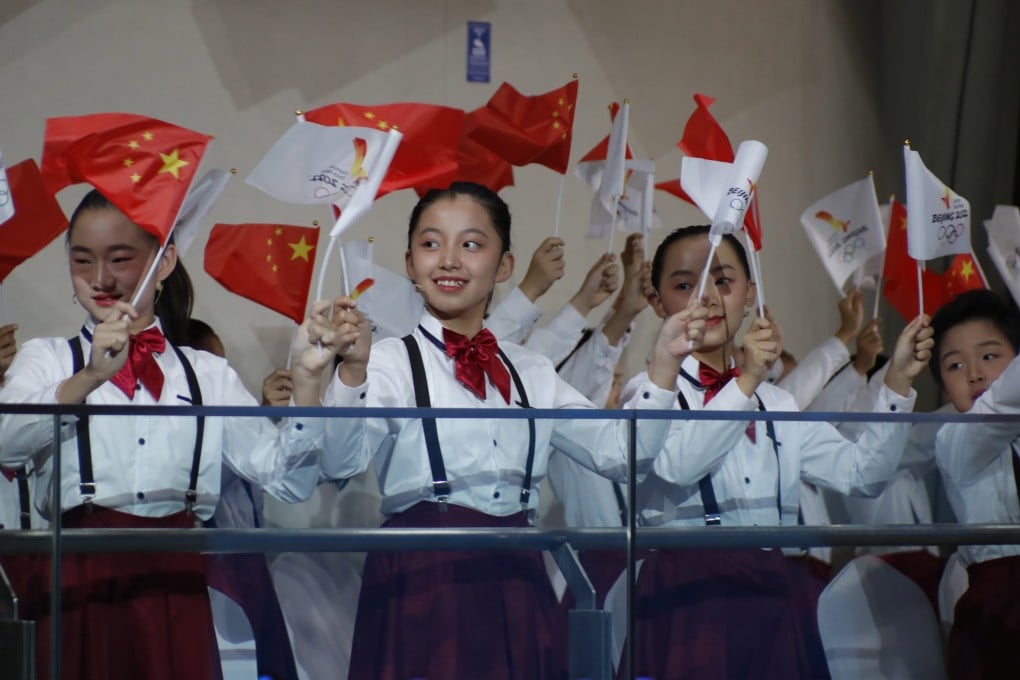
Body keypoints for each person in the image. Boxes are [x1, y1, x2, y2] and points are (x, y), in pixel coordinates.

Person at [308, 181, 707, 680]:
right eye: (431, 244)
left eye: (471, 244)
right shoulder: (388, 360)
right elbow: (339, 463)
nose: (449, 260)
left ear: (504, 266)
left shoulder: (532, 369)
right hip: (421, 574)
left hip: (519, 570)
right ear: (410, 263)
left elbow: (623, 455)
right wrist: (350, 373)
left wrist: (666, 363)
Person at [0, 189, 331, 680]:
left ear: (164, 260)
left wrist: (307, 385)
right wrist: (89, 378)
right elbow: (7, 443)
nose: (101, 279)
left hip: (176, 575)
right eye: (82, 260)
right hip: (76, 572)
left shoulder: (206, 373)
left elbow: (286, 479)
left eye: (120, 258)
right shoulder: (47, 359)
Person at [619, 224, 933, 680]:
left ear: (749, 295)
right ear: (658, 302)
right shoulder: (648, 391)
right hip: (685, 597)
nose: (705, 297)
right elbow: (676, 467)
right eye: (685, 285)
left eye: (722, 281)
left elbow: (863, 475)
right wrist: (746, 381)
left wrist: (899, 380)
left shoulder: (778, 404)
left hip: (770, 587)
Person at [930, 289, 1020, 678]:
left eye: (989, 356)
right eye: (954, 365)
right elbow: (1001, 406)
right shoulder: (954, 437)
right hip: (999, 612)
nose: (975, 374)